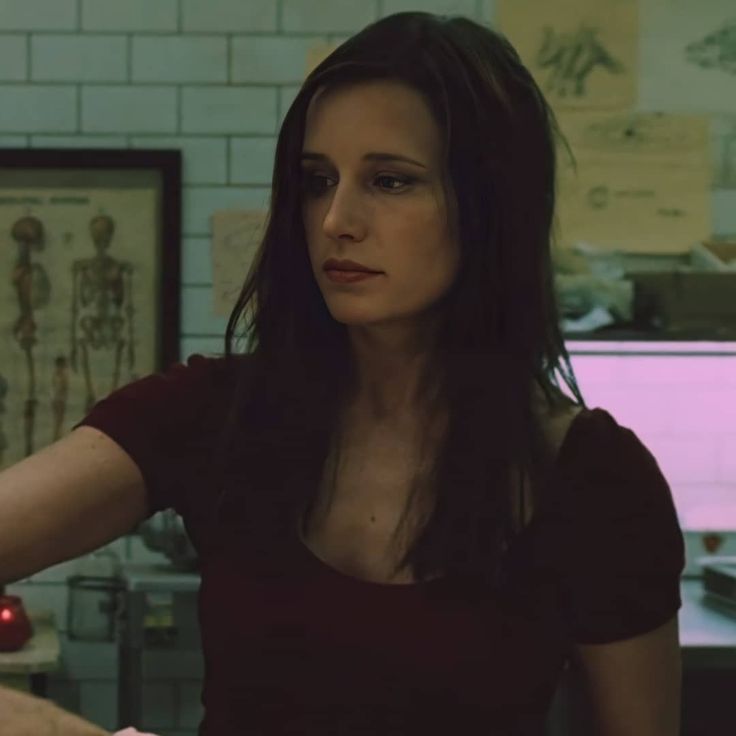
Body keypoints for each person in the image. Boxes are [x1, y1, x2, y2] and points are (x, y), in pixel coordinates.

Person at [0, 11, 685, 735]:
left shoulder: (591, 479)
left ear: (492, 208)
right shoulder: (216, 411)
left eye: (390, 181)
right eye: (316, 180)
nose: (335, 219)